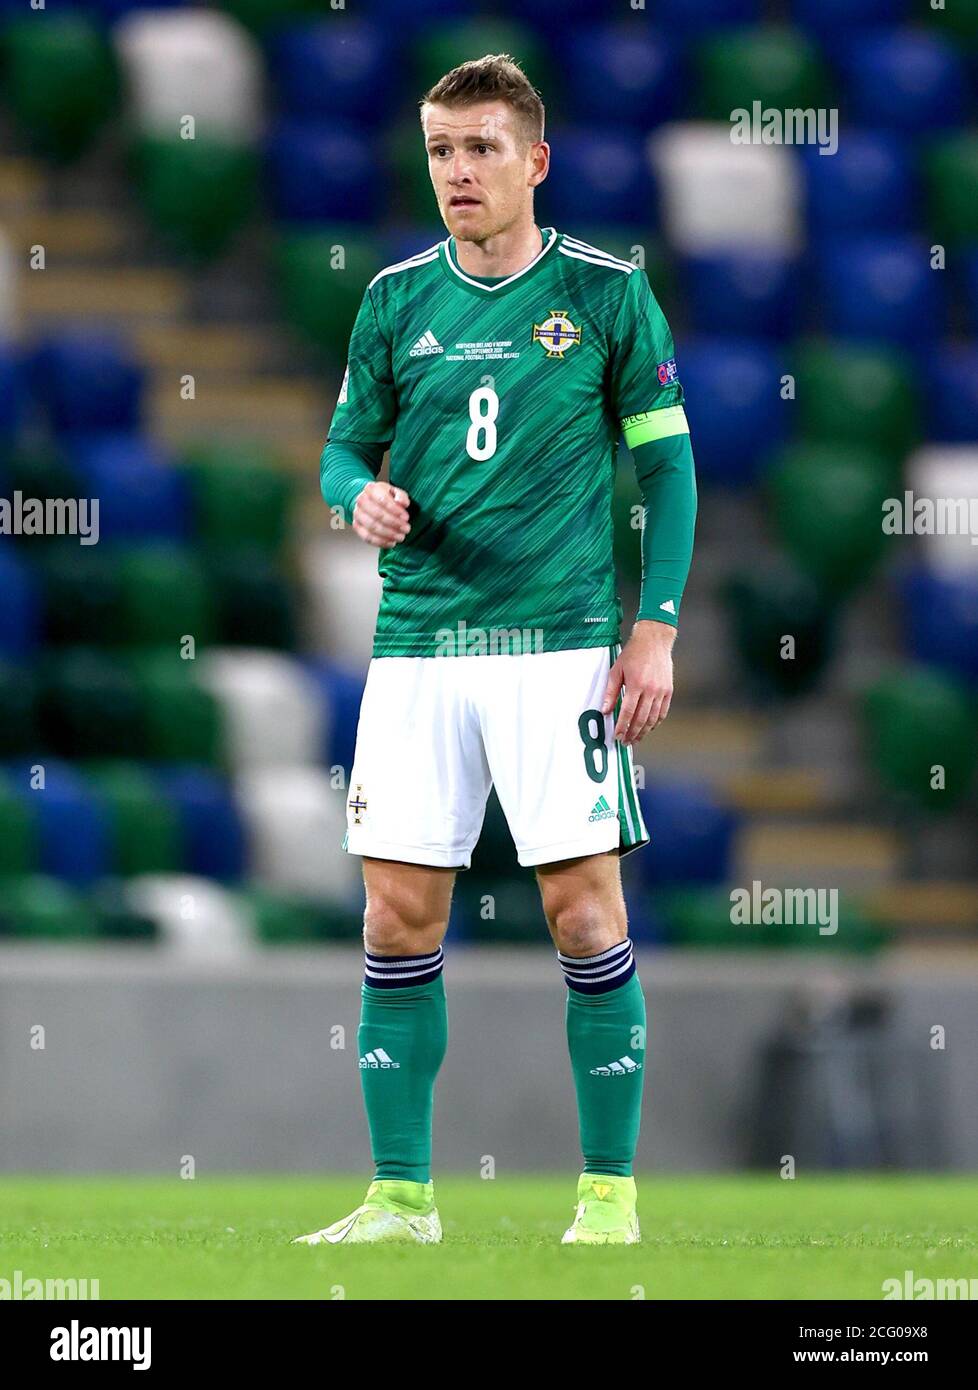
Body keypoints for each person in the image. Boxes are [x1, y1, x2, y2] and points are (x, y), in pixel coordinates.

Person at [294, 53, 696, 1247]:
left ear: (536, 159)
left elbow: (667, 469)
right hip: (418, 648)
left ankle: (610, 1197)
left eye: (479, 148)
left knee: (583, 912)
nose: (457, 172)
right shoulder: (392, 300)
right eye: (439, 151)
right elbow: (339, 455)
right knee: (396, 917)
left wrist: (656, 625)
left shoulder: (610, 292)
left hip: (559, 645)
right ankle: (403, 1197)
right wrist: (355, 496)